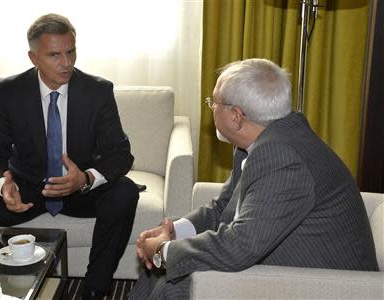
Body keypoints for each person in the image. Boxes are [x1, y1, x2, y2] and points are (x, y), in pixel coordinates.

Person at [130, 58, 378, 299]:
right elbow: (223, 208)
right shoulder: (262, 141)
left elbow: (241, 246)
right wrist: (174, 231)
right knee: (157, 271)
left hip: (325, 283)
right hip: (282, 259)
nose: (211, 108)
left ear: (236, 116)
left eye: (213, 103)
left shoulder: (282, 158)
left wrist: (166, 251)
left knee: (173, 283)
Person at [0, 13, 139, 299]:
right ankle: (5, 289)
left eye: (71, 52)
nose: (66, 62)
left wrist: (85, 178)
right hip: (28, 187)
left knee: (125, 193)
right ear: (33, 58)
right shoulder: (10, 92)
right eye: (55, 55)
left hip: (79, 188)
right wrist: (4, 187)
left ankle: (95, 289)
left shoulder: (98, 91)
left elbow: (120, 154)